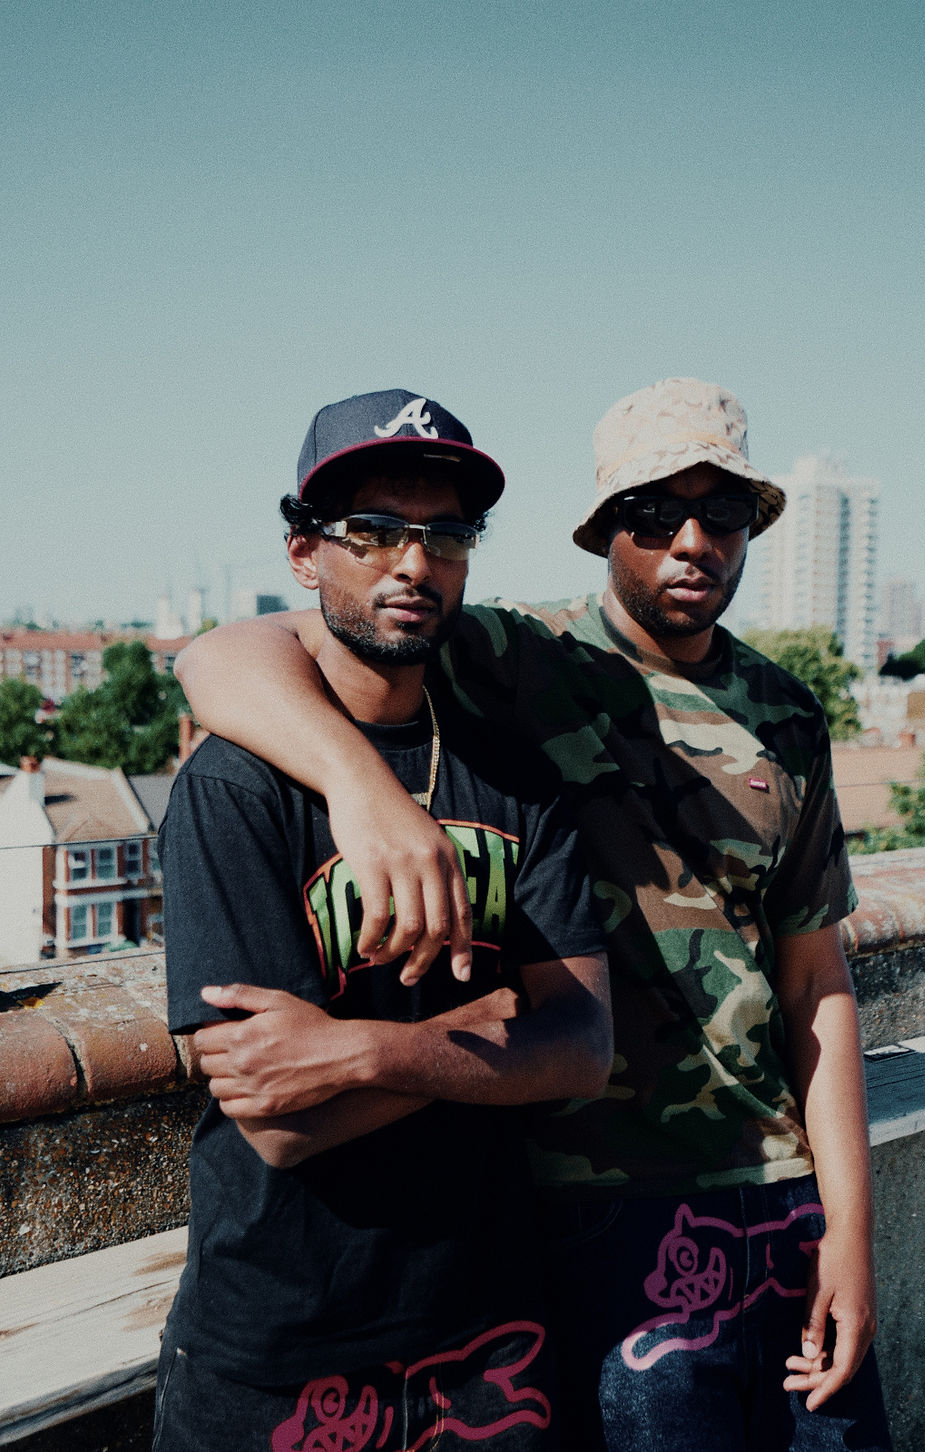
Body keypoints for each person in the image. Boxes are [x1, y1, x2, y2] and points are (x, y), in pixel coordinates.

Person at [175, 378, 892, 1451]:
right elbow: (220, 655)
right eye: (653, 513)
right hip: (596, 1201)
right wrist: (362, 789)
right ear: (604, 528)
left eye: (723, 512)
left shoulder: (785, 714)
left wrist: (852, 1232)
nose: (692, 541)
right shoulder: (523, 659)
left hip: (776, 1185)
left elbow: (814, 983)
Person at [155, 388, 612, 1452]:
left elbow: (583, 1049)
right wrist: (496, 1025)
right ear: (304, 553)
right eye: (372, 532)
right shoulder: (234, 788)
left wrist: (360, 1051)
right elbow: (276, 1114)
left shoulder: (516, 779)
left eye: (446, 535)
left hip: (487, 1330)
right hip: (279, 1343)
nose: (414, 563)